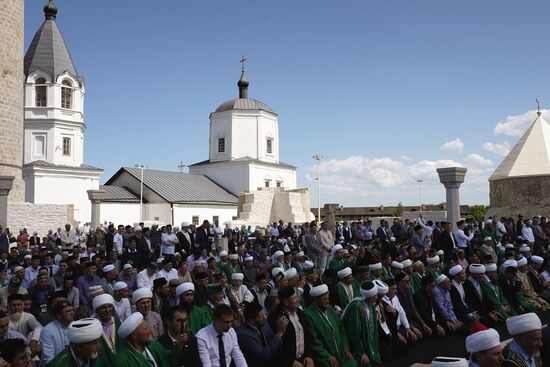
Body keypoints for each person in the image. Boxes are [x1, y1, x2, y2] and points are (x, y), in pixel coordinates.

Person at [304, 284, 356, 367]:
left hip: (341, 352)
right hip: (323, 356)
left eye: (328, 298)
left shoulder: (330, 308)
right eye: (324, 299)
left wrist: (346, 348)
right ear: (316, 300)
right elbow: (313, 340)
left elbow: (341, 328)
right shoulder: (308, 314)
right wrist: (326, 356)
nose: (327, 301)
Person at [115, 312, 184, 367]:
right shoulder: (122, 360)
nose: (149, 331)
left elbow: (168, 361)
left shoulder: (154, 345)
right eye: (145, 329)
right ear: (134, 335)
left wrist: (179, 345)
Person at [268, 286, 315, 367]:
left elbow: (308, 336)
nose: (298, 300)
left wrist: (309, 356)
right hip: (287, 363)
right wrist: (291, 361)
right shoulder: (275, 318)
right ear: (286, 302)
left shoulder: (300, 314)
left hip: (304, 360)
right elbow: (275, 345)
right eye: (295, 298)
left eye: (297, 297)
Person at [341, 281, 381, 366]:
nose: (377, 297)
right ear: (370, 297)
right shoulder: (356, 307)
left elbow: (374, 330)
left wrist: (375, 349)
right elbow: (354, 332)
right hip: (356, 347)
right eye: (376, 295)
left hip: (368, 345)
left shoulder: (372, 306)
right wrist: (361, 353)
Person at [236, 302, 286, 367]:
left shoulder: (263, 323)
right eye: (261, 317)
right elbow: (264, 355)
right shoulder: (243, 335)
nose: (264, 318)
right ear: (251, 320)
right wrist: (279, 333)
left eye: (263, 315)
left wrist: (279, 328)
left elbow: (273, 341)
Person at [39, 301, 74, 366]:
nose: (72, 313)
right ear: (58, 316)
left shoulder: (75, 325)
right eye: (67, 311)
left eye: (72, 310)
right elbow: (48, 360)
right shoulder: (48, 330)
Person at [92, 293, 120, 365]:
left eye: (109, 306)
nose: (107, 310)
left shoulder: (118, 322)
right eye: (103, 307)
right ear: (97, 310)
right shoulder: (92, 326)